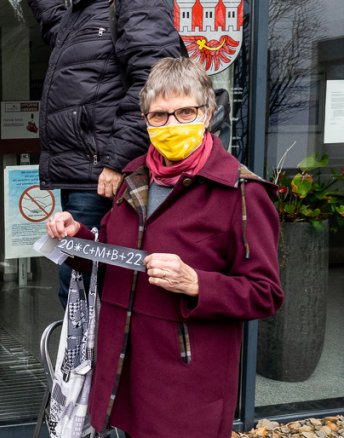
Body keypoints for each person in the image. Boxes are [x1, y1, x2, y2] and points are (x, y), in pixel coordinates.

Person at [45, 58, 283, 437]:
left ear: (207, 114)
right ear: (145, 121)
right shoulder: (132, 177)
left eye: (184, 111)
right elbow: (112, 257)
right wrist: (77, 240)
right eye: (159, 115)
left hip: (186, 382)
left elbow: (265, 294)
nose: (172, 125)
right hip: (126, 368)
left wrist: (196, 283)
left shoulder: (241, 193)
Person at [29, 0, 187, 305]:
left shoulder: (135, 4)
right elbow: (53, 23)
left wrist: (118, 161)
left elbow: (154, 83)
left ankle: (102, 354)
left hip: (103, 177)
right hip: (82, 174)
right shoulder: (83, 13)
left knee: (87, 295)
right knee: (77, 291)